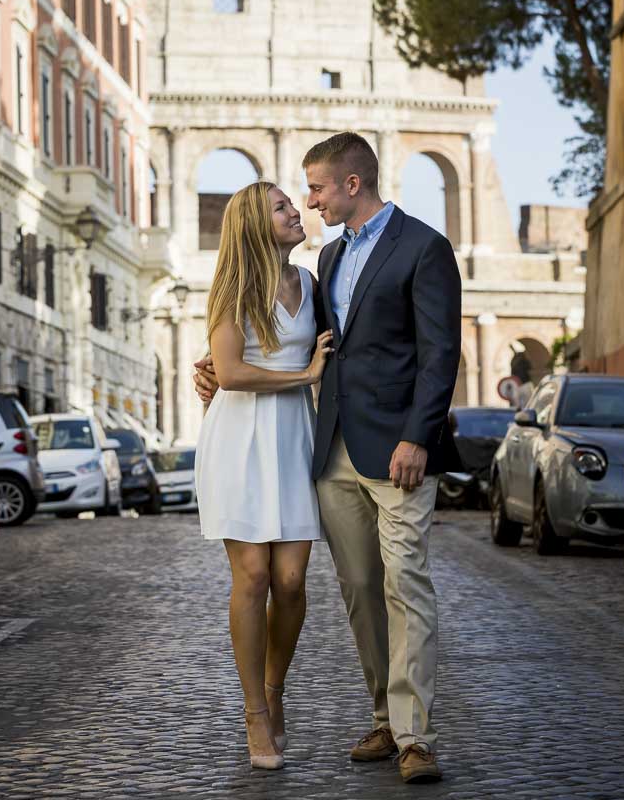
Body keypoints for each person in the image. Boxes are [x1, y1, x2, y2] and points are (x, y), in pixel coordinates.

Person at [195, 132, 462, 784]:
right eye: (293, 200)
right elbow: (255, 351)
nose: (307, 204)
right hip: (326, 449)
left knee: (402, 586)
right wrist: (209, 370)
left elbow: (439, 353)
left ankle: (414, 735)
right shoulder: (330, 260)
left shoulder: (421, 247)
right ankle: (380, 715)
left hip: (392, 449)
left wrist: (417, 435)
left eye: (311, 191)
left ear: (349, 184)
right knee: (360, 589)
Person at [194, 180, 333, 771]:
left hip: (295, 437)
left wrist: (316, 379)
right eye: (281, 207)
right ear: (255, 222)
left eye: (292, 203)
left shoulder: (313, 283)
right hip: (240, 439)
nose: (295, 211)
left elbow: (334, 355)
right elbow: (227, 373)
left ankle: (276, 690)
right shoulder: (232, 287)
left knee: (293, 580)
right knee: (252, 575)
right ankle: (254, 713)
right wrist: (304, 376)